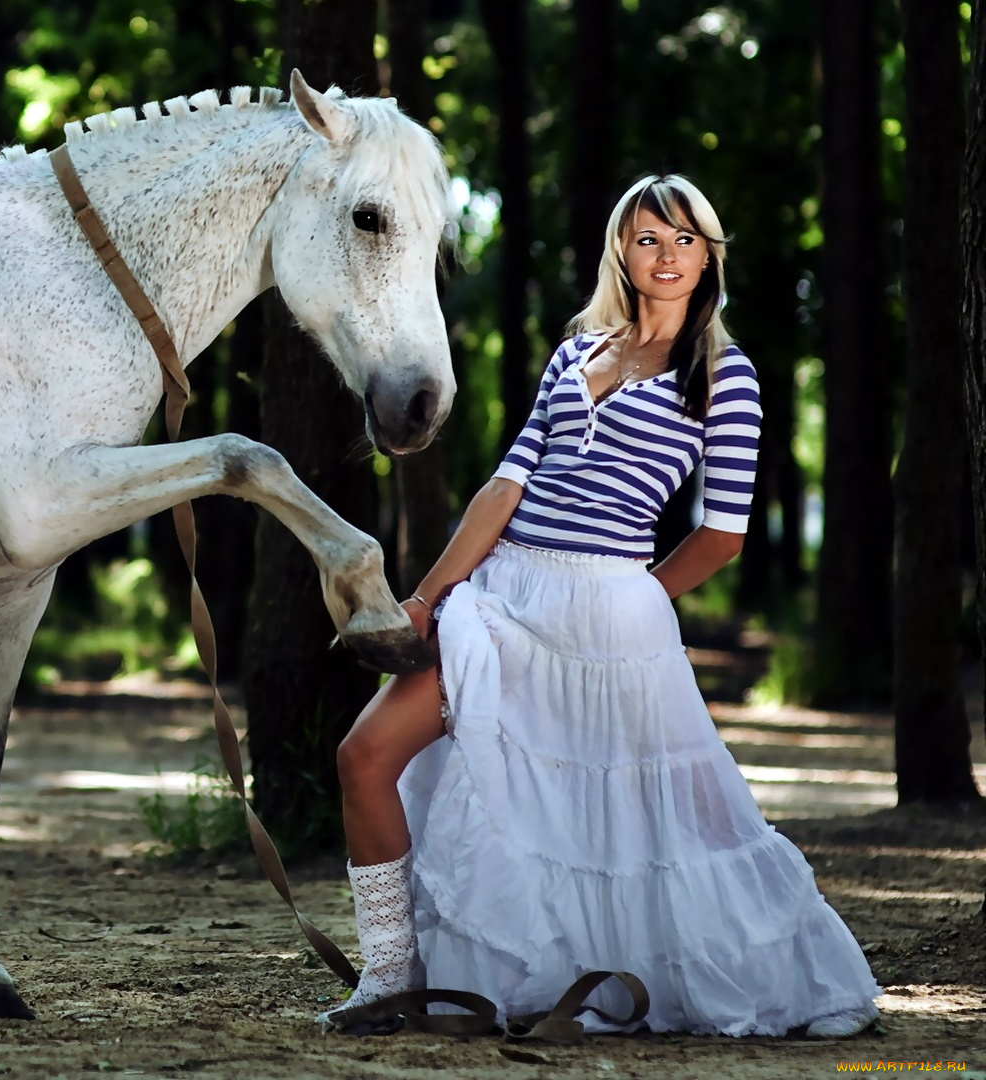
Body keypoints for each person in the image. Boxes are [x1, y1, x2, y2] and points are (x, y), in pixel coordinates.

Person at [318, 174, 882, 1038]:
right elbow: (506, 485)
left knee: (655, 821)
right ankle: (387, 982)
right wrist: (428, 598)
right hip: (500, 599)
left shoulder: (724, 378)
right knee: (365, 757)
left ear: (709, 257)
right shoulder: (576, 352)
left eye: (685, 239)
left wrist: (631, 601)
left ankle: (766, 971)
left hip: (615, 614)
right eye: (649, 237)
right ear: (623, 248)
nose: (667, 256)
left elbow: (722, 534)